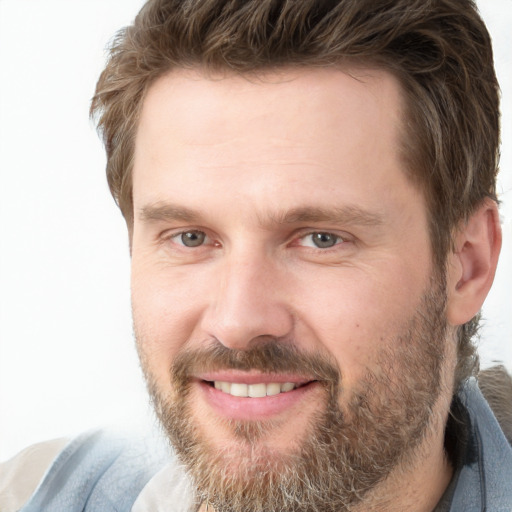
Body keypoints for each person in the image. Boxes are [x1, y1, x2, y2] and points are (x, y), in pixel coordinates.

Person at [0, 0, 510, 510]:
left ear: (467, 266)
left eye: (320, 239)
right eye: (191, 238)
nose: (238, 322)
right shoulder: (29, 494)